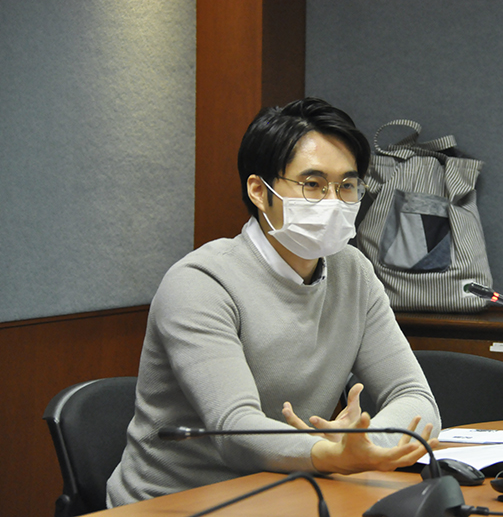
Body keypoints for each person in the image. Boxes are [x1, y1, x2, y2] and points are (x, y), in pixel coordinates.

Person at [106, 97, 441, 506]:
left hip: (291, 492)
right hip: (177, 504)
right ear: (258, 191)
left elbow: (414, 396)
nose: (334, 202)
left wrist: (364, 443)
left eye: (347, 186)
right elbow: (235, 429)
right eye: (313, 184)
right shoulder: (200, 283)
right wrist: (330, 453)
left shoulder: (353, 271)